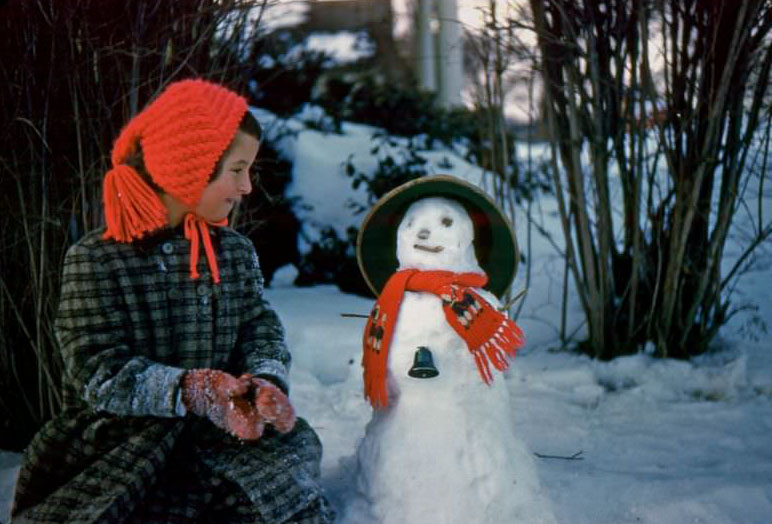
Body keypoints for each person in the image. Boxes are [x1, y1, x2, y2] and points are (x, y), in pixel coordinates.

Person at [11, 79, 335, 523]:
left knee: (280, 480)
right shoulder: (97, 260)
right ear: (192, 168)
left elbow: (258, 325)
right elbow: (96, 369)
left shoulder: (234, 251)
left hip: (219, 433)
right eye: (236, 170)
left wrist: (262, 381)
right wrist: (192, 390)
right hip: (123, 441)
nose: (246, 188)